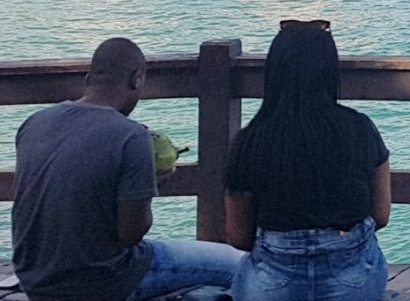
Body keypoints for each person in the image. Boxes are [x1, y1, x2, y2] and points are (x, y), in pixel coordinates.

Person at [10, 37, 242, 301]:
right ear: (137, 79)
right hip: (103, 281)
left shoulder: (35, 123)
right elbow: (131, 234)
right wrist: (149, 186)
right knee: (241, 266)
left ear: (88, 78)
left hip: (35, 280)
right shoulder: (131, 136)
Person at [225, 21, 391, 301]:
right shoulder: (360, 128)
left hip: (272, 286)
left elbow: (239, 236)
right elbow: (381, 215)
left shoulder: (250, 139)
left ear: (274, 72)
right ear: (330, 71)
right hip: (354, 283)